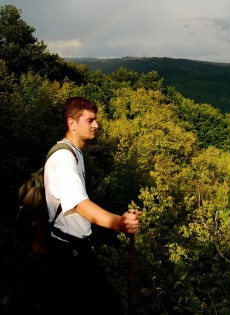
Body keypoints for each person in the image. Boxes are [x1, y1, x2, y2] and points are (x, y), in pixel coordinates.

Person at [43, 96, 139, 313]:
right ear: (72, 124)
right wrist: (119, 223)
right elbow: (80, 204)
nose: (96, 125)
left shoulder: (74, 153)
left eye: (95, 119)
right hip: (67, 251)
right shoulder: (63, 158)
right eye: (90, 120)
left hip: (72, 248)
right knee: (110, 304)